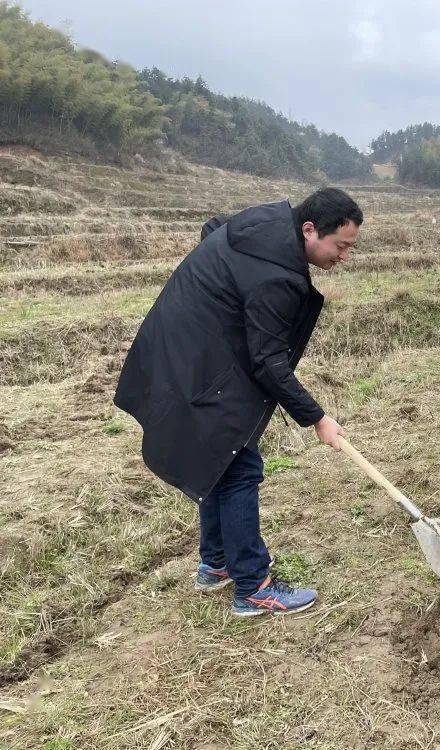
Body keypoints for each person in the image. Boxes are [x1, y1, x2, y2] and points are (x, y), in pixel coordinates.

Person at [114, 188, 361, 617]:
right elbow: (269, 364)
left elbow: (213, 228)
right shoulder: (277, 279)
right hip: (197, 362)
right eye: (340, 246)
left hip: (183, 347)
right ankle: (253, 587)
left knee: (219, 458)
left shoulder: (263, 223)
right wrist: (317, 418)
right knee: (239, 464)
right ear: (309, 230)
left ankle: (216, 563)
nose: (343, 257)